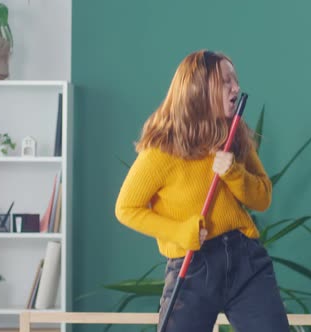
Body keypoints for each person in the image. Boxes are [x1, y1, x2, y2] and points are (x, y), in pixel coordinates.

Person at [115, 49, 289, 332]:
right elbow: (125, 209)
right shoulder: (162, 150)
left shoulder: (235, 134)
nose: (236, 87)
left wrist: (233, 172)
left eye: (236, 80)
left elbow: (263, 198)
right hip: (193, 264)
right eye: (226, 81)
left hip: (245, 259)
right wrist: (180, 231)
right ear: (198, 90)